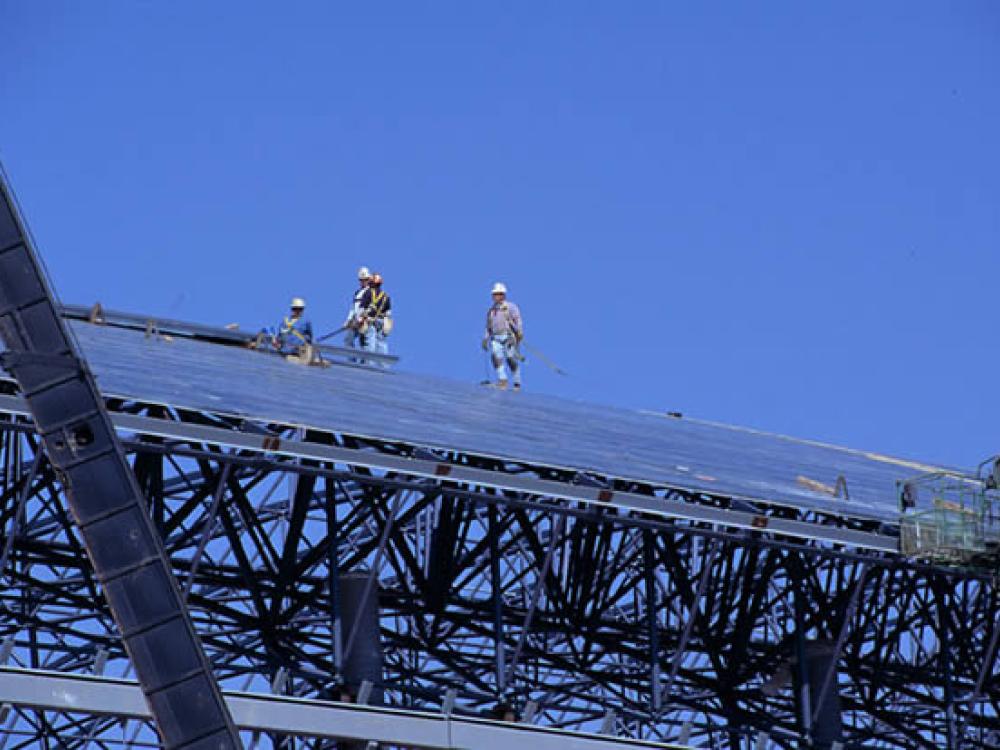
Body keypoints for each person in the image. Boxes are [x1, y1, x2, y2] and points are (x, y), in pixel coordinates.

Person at [482, 282, 523, 390]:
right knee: (496, 357)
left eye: (498, 294)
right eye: (494, 294)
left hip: (508, 336)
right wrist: (485, 338)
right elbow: (488, 326)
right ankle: (502, 380)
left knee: (510, 358)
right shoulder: (491, 311)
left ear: (503, 295)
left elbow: (518, 319)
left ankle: (517, 382)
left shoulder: (510, 307)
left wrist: (519, 332)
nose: (496, 296)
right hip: (496, 337)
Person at [357, 273, 392, 364]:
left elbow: (361, 308)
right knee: (382, 344)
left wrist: (359, 319)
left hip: (370, 321)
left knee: (370, 342)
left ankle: (369, 364)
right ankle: (384, 365)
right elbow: (388, 313)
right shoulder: (386, 296)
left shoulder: (368, 293)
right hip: (381, 323)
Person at [344, 266, 371, 351]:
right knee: (348, 339)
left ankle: (364, 363)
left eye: (365, 279)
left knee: (364, 343)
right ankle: (351, 360)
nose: (363, 282)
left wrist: (363, 318)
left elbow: (371, 308)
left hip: (365, 321)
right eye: (362, 280)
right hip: (355, 321)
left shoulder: (371, 292)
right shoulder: (357, 293)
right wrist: (348, 320)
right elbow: (353, 308)